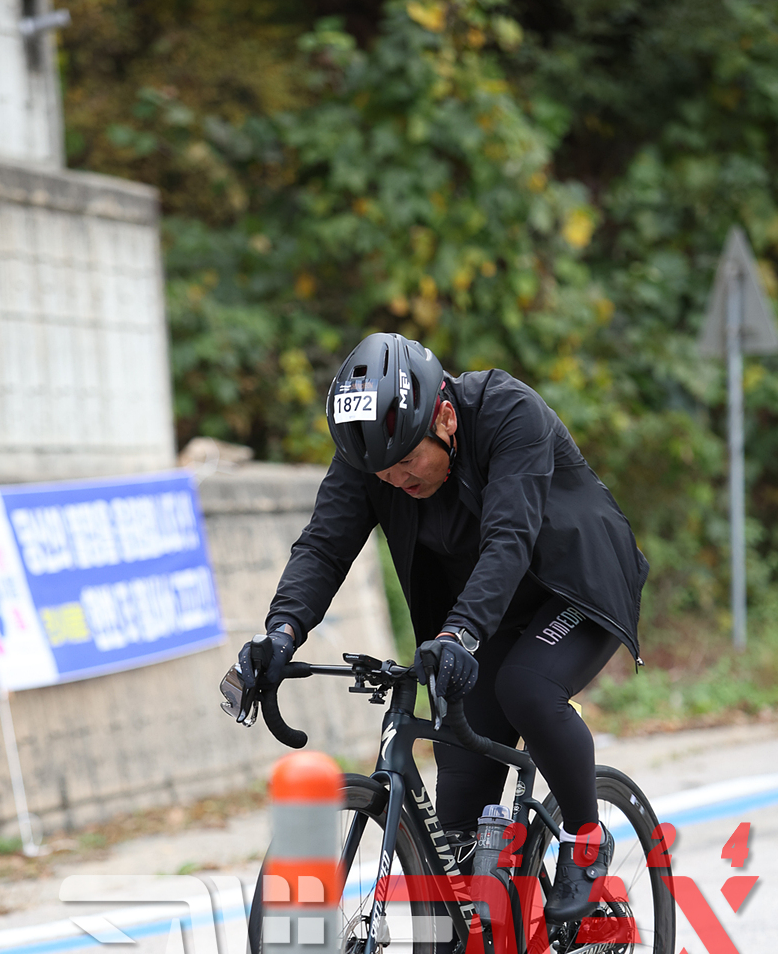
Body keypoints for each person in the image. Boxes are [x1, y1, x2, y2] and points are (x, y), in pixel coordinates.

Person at [230, 331, 648, 920]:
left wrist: (459, 633)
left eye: (407, 462)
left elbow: (509, 539)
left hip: (574, 586)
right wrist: (282, 631)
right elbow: (324, 547)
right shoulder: (372, 457)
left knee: (527, 688)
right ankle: (476, 953)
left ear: (446, 418)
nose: (395, 480)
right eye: (381, 472)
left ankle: (585, 843)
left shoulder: (508, 412)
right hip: (484, 613)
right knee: (455, 836)